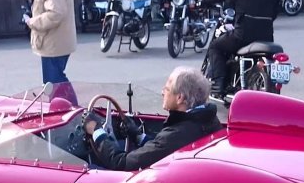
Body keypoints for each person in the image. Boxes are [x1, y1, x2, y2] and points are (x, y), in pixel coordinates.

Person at [82, 67, 221, 171]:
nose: (162, 92)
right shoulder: (210, 120)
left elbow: (121, 163)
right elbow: (162, 149)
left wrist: (96, 131)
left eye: (167, 89)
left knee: (91, 169)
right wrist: (137, 135)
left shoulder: (177, 135)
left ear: (180, 98)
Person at [201, 0, 279, 100]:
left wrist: (203, 1)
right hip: (266, 36)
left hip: (243, 35)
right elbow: (275, 12)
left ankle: (218, 84)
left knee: (215, 47)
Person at [23, 0, 78, 105]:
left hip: (54, 43)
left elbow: (56, 13)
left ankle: (73, 111)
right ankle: (67, 111)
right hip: (56, 41)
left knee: (54, 83)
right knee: (54, 82)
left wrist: (32, 22)